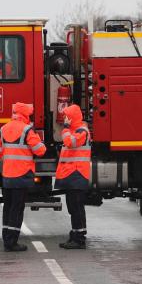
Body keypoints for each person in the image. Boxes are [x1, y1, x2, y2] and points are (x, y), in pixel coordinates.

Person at [0, 102, 46, 251]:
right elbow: (40, 150)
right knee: (17, 209)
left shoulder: (3, 129)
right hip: (22, 175)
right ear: (25, 114)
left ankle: (7, 240)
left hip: (7, 175)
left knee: (8, 208)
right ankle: (12, 242)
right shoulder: (27, 130)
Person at [56, 104, 91, 249]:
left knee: (76, 207)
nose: (65, 118)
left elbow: (70, 143)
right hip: (72, 175)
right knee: (73, 207)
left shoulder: (81, 131)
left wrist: (64, 128)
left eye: (66, 115)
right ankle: (75, 235)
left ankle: (79, 239)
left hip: (77, 174)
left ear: (72, 117)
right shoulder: (75, 130)